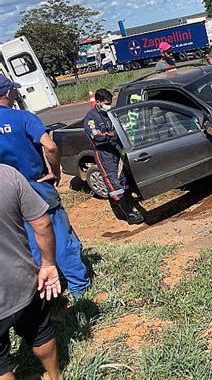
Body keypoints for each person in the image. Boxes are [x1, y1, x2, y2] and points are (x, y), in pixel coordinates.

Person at [0, 76, 90, 298]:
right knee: (57, 233)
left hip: (5, 191)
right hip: (35, 185)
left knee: (26, 240)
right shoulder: (23, 118)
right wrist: (55, 171)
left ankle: (46, 290)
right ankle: (78, 286)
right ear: (8, 93)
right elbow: (50, 147)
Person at [0, 164, 61, 380]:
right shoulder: (7, 175)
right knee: (40, 330)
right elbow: (42, 223)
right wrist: (49, 263)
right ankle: (56, 378)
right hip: (25, 281)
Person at [83, 89, 144, 225]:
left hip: (116, 150)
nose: (109, 105)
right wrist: (114, 135)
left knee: (123, 179)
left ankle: (128, 204)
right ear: (98, 102)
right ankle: (128, 214)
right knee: (113, 183)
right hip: (104, 154)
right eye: (106, 103)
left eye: (110, 103)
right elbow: (97, 136)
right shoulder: (91, 118)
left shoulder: (111, 113)